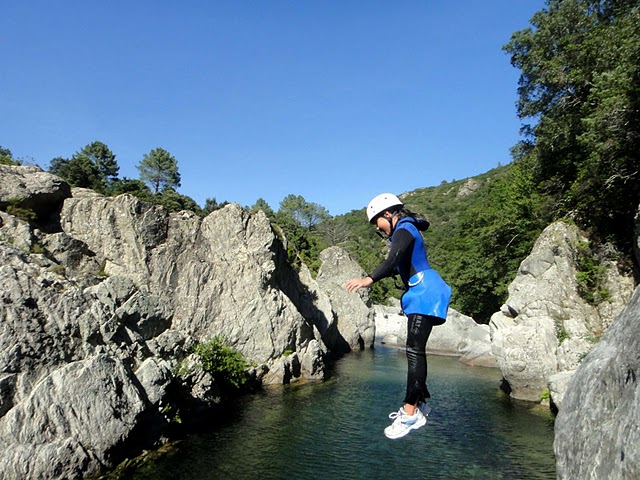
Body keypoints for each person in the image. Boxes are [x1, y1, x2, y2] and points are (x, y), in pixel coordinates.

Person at [345, 193, 451, 439]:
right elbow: (395, 264)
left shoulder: (404, 228)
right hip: (424, 291)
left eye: (376, 223)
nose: (377, 228)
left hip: (425, 292)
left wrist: (368, 279)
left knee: (414, 350)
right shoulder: (406, 228)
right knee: (415, 349)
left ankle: (410, 412)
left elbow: (392, 259)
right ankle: (420, 403)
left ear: (387, 214)